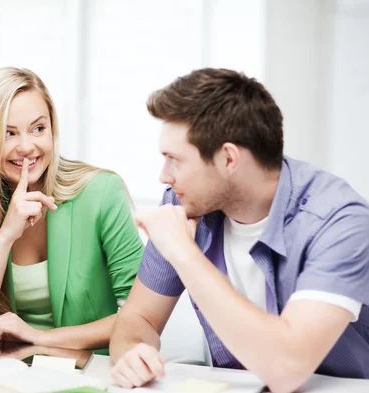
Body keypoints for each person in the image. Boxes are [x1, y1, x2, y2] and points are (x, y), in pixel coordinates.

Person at [110, 68, 369, 392]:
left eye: (175, 159)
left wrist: (184, 254)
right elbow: (138, 320)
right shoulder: (183, 206)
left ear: (228, 159)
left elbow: (288, 369)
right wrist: (134, 354)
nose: (164, 176)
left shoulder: (339, 222)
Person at [0, 67, 143, 352]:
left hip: (92, 369)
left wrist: (41, 338)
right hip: (13, 372)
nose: (27, 147)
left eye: (39, 129)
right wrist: (5, 238)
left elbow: (139, 318)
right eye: (8, 133)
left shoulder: (101, 192)